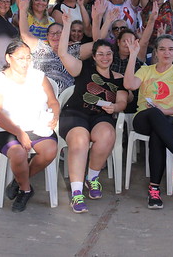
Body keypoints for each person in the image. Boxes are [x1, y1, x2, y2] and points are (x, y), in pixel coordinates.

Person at [57, 13, 128, 213]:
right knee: (80, 139)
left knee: (107, 135)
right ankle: (77, 193)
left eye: (108, 54)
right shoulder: (82, 68)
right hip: (75, 113)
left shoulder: (119, 78)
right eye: (101, 54)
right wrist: (67, 24)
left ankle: (92, 178)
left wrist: (115, 107)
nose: (105, 58)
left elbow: (122, 100)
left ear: (112, 56)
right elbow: (63, 53)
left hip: (100, 116)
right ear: (94, 56)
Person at [123, 35, 173, 209]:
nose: (167, 52)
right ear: (155, 53)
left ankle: (154, 190)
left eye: (170, 49)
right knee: (154, 114)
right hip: (144, 118)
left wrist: (164, 111)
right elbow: (129, 84)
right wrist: (133, 55)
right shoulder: (145, 70)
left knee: (159, 133)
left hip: (170, 118)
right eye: (162, 49)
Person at [0, 40, 60, 213]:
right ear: (8, 58)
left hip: (37, 126)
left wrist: (55, 114)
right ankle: (25, 190)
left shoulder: (38, 76)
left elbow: (52, 101)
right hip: (6, 129)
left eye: (28, 58)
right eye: (20, 58)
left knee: (50, 150)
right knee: (18, 153)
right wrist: (18, 132)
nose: (25, 62)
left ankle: (19, 181)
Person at [17, 0, 94, 94]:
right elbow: (25, 34)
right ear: (47, 36)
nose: (55, 36)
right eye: (52, 33)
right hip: (41, 92)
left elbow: (97, 46)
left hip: (65, 94)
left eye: (59, 33)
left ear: (65, 34)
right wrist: (22, 10)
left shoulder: (72, 50)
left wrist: (68, 24)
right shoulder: (41, 48)